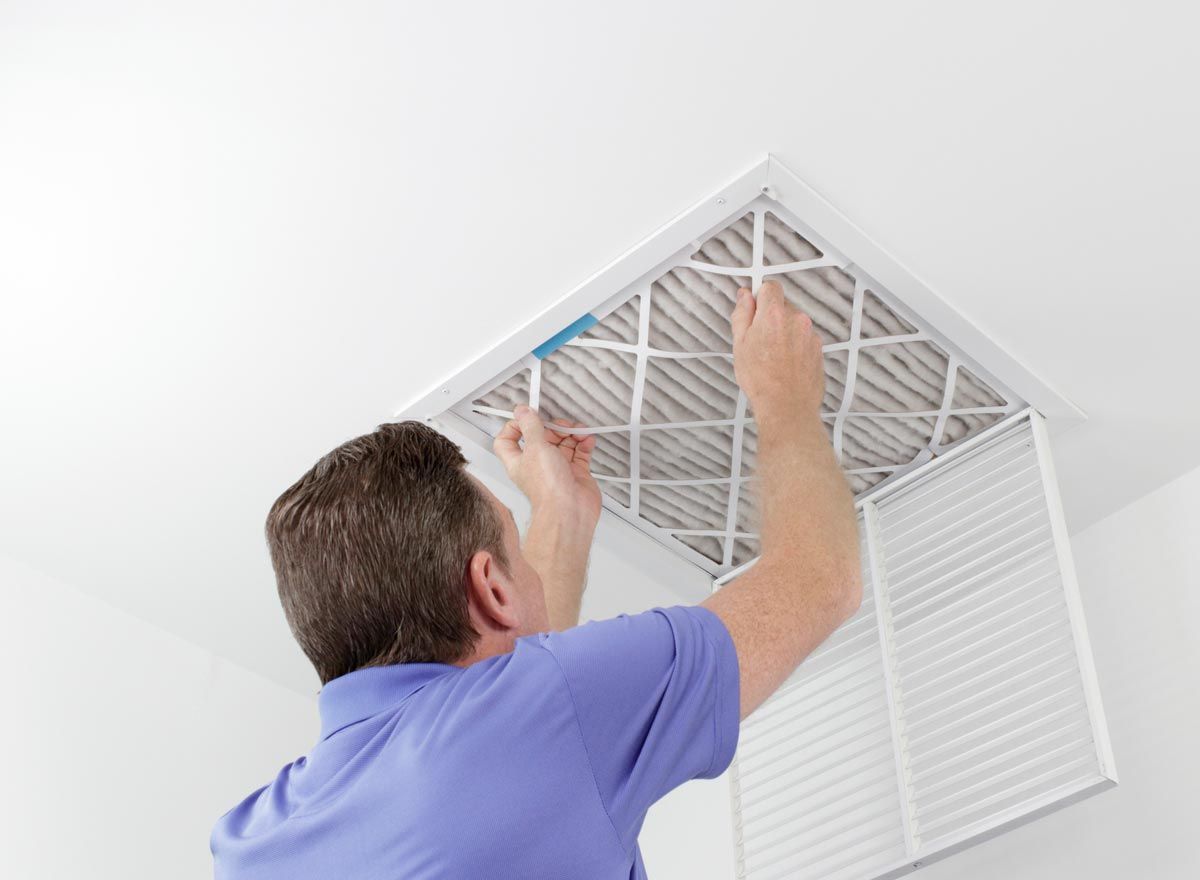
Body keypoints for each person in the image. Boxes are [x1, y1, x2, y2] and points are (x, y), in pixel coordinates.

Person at [210, 281, 862, 879]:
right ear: (492, 589)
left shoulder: (248, 844)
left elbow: (516, 723)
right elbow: (820, 577)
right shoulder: (541, 711)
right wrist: (784, 394)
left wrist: (559, 517)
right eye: (513, 548)